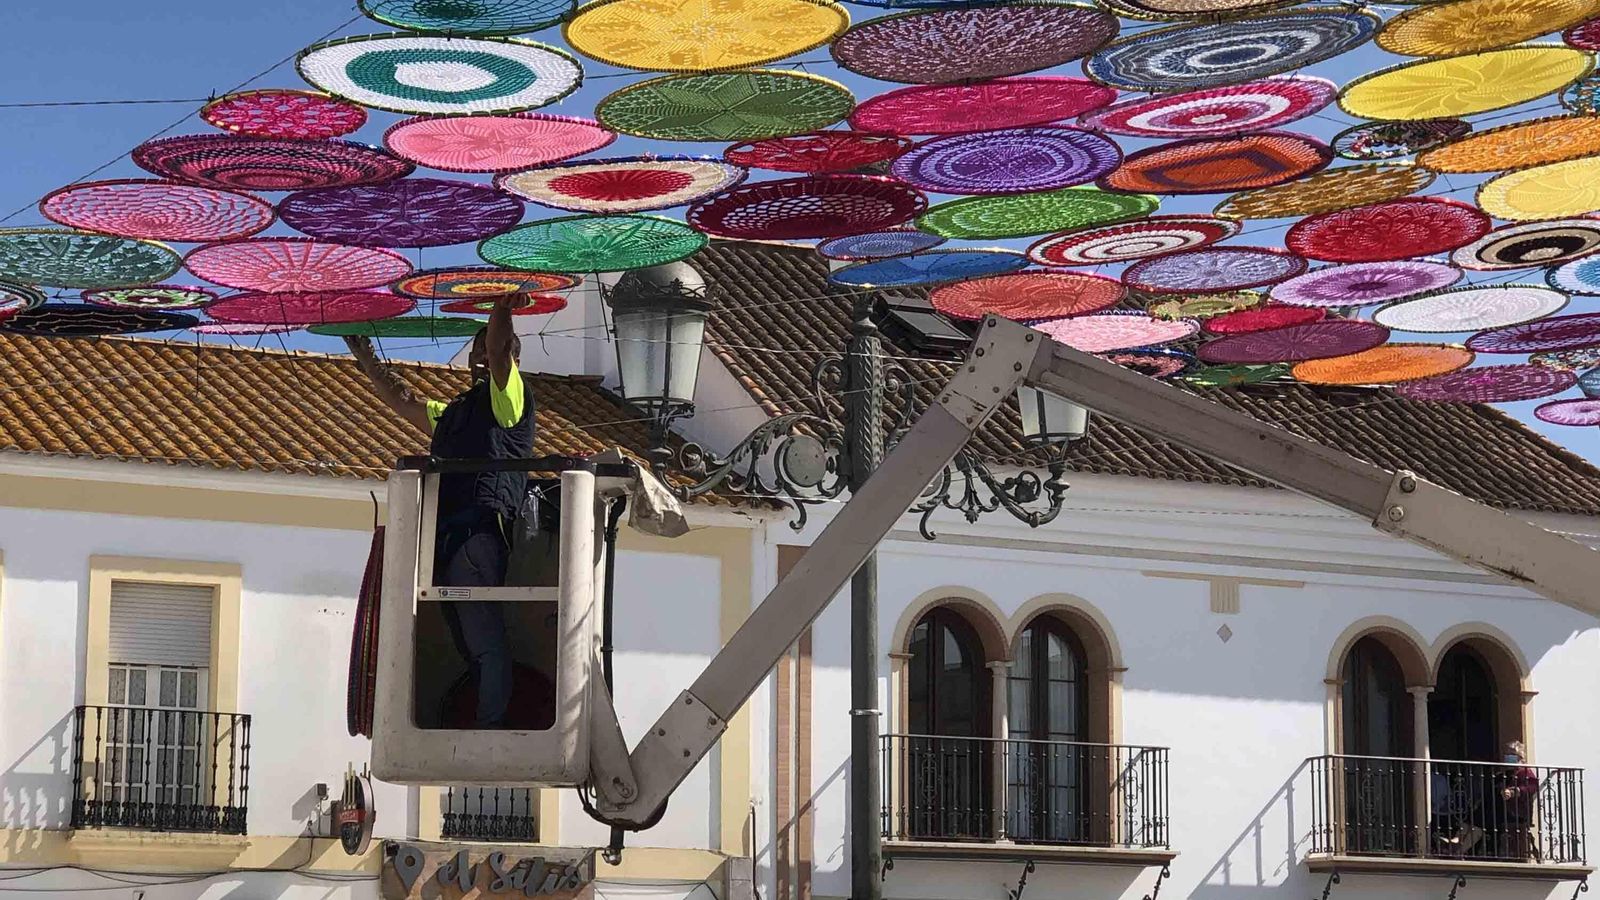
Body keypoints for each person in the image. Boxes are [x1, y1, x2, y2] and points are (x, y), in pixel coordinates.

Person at [345, 295, 531, 728]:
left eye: (487, 350)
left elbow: (502, 350)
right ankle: (486, 718)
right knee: (469, 641)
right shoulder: (452, 414)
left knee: (484, 643)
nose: (480, 357)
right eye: (476, 350)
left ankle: (490, 728)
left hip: (478, 537)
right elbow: (403, 400)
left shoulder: (510, 401)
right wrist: (366, 355)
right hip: (450, 539)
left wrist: (502, 306)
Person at [1496, 740, 1540, 861]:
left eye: (1511, 753)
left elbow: (1532, 787)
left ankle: (1518, 858)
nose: (1507, 756)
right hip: (1507, 811)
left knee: (1517, 837)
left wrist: (1514, 791)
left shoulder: (1525, 771)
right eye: (1506, 753)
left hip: (1519, 812)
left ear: (1519, 756)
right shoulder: (1506, 772)